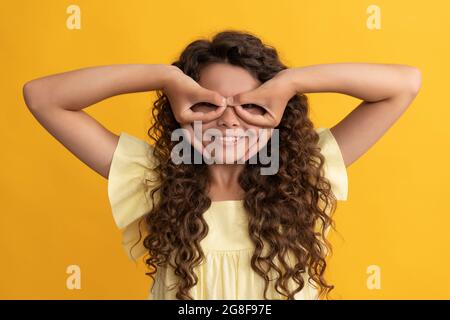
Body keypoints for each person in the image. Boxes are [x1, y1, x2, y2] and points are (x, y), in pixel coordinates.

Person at [22, 30, 422, 300]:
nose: (229, 120)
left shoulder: (302, 172)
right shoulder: (153, 178)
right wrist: (164, 76)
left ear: (278, 112)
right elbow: (43, 97)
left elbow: (404, 84)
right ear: (180, 110)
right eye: (207, 104)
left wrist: (291, 82)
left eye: (252, 106)